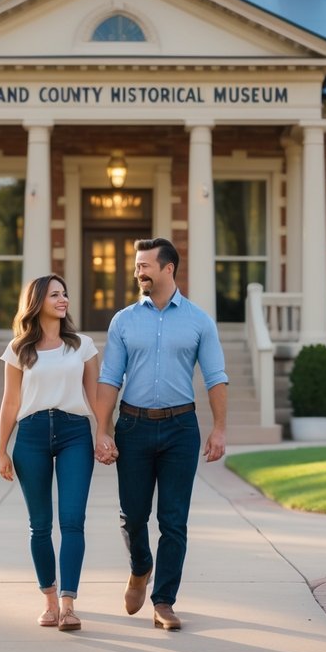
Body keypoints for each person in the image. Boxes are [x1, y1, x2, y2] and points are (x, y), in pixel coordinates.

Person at [94, 238, 228, 631]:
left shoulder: (200, 321)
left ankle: (164, 601)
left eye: (145, 266)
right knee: (133, 515)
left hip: (180, 428)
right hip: (133, 426)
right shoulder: (123, 321)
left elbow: (216, 378)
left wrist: (219, 428)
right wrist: (102, 429)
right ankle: (140, 568)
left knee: (174, 520)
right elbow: (108, 379)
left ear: (168, 268)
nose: (138, 272)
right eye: (137, 266)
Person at [0, 274, 105, 632]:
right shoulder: (19, 349)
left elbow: (95, 397)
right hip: (31, 436)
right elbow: (11, 401)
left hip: (75, 433)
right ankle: (49, 600)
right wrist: (1, 448)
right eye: (55, 294)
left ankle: (69, 604)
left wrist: (104, 433)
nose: (63, 300)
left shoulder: (83, 346)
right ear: (37, 300)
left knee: (73, 520)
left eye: (65, 294)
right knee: (40, 525)